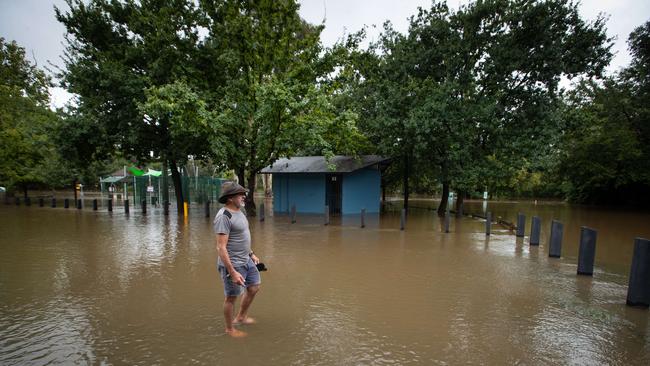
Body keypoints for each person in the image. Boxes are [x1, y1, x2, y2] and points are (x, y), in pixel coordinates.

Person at [214, 181, 261, 337]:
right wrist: (232, 272)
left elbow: (242, 237)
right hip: (233, 264)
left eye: (243, 194)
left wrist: (251, 253)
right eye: (240, 194)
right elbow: (221, 247)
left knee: (254, 287)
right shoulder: (224, 216)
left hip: (246, 259)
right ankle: (229, 329)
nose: (243, 196)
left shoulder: (241, 212)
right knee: (231, 297)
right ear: (230, 198)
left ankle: (240, 316)